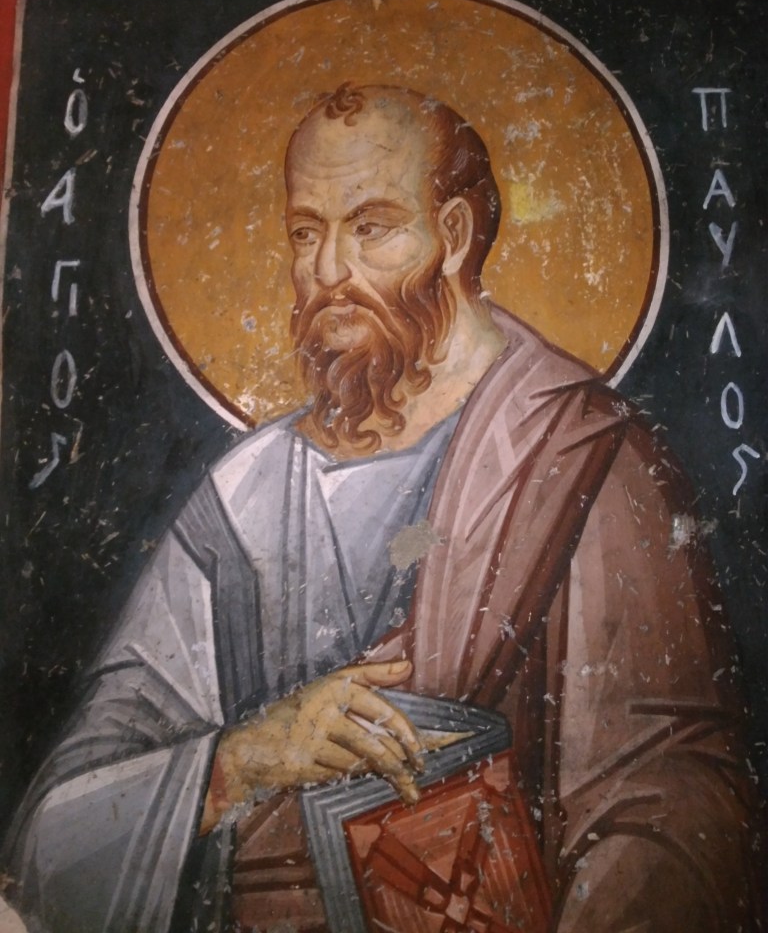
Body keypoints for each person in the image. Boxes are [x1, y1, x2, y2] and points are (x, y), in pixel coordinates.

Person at [3, 83, 759, 933]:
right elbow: (50, 843)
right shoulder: (244, 498)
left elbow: (666, 809)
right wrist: (239, 761)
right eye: (305, 232)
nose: (329, 271)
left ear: (454, 236)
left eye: (371, 227)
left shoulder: (582, 457)